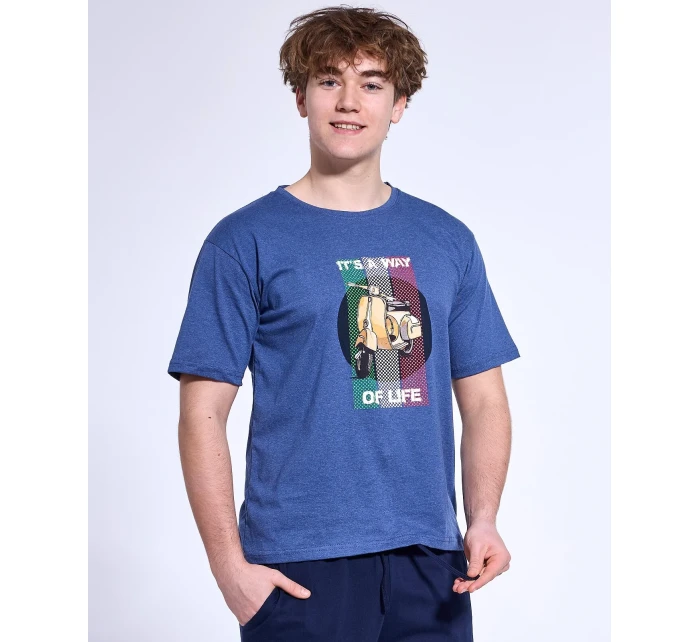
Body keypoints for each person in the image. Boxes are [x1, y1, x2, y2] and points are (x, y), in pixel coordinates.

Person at [167, 6, 519, 641]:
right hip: (300, 566)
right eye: (329, 80)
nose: (349, 101)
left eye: (372, 83)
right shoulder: (244, 240)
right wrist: (228, 568)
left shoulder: (446, 240)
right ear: (301, 98)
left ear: (399, 104)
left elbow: (485, 400)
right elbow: (202, 412)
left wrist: (483, 519)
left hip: (432, 561)